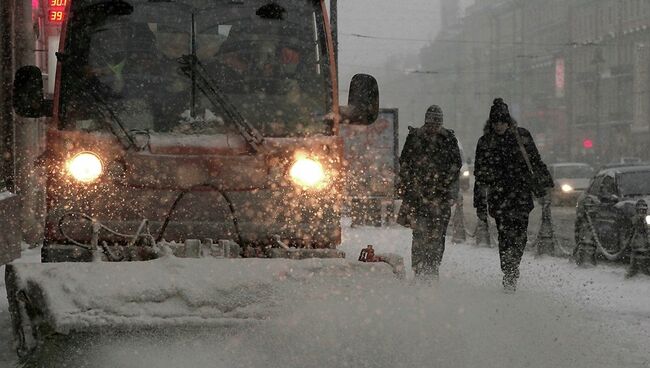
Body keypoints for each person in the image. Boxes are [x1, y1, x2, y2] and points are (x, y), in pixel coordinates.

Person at [473, 98, 554, 293]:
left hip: (520, 195)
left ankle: (513, 264)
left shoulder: (521, 136)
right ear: (491, 123)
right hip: (499, 198)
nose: (499, 125)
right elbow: (479, 175)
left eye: (502, 121)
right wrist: (480, 205)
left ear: (508, 122)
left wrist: (545, 186)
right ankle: (509, 271)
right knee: (505, 236)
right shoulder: (485, 142)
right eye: (496, 122)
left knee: (520, 236)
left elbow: (535, 161)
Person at [397, 105, 462, 281]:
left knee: (437, 235)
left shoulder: (448, 140)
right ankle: (419, 269)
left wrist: (448, 188)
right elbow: (404, 163)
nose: (433, 127)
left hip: (439, 197)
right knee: (419, 233)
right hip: (418, 196)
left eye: (437, 123)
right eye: (431, 122)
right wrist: (409, 184)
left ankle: (432, 268)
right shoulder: (415, 137)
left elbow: (456, 166)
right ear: (426, 121)